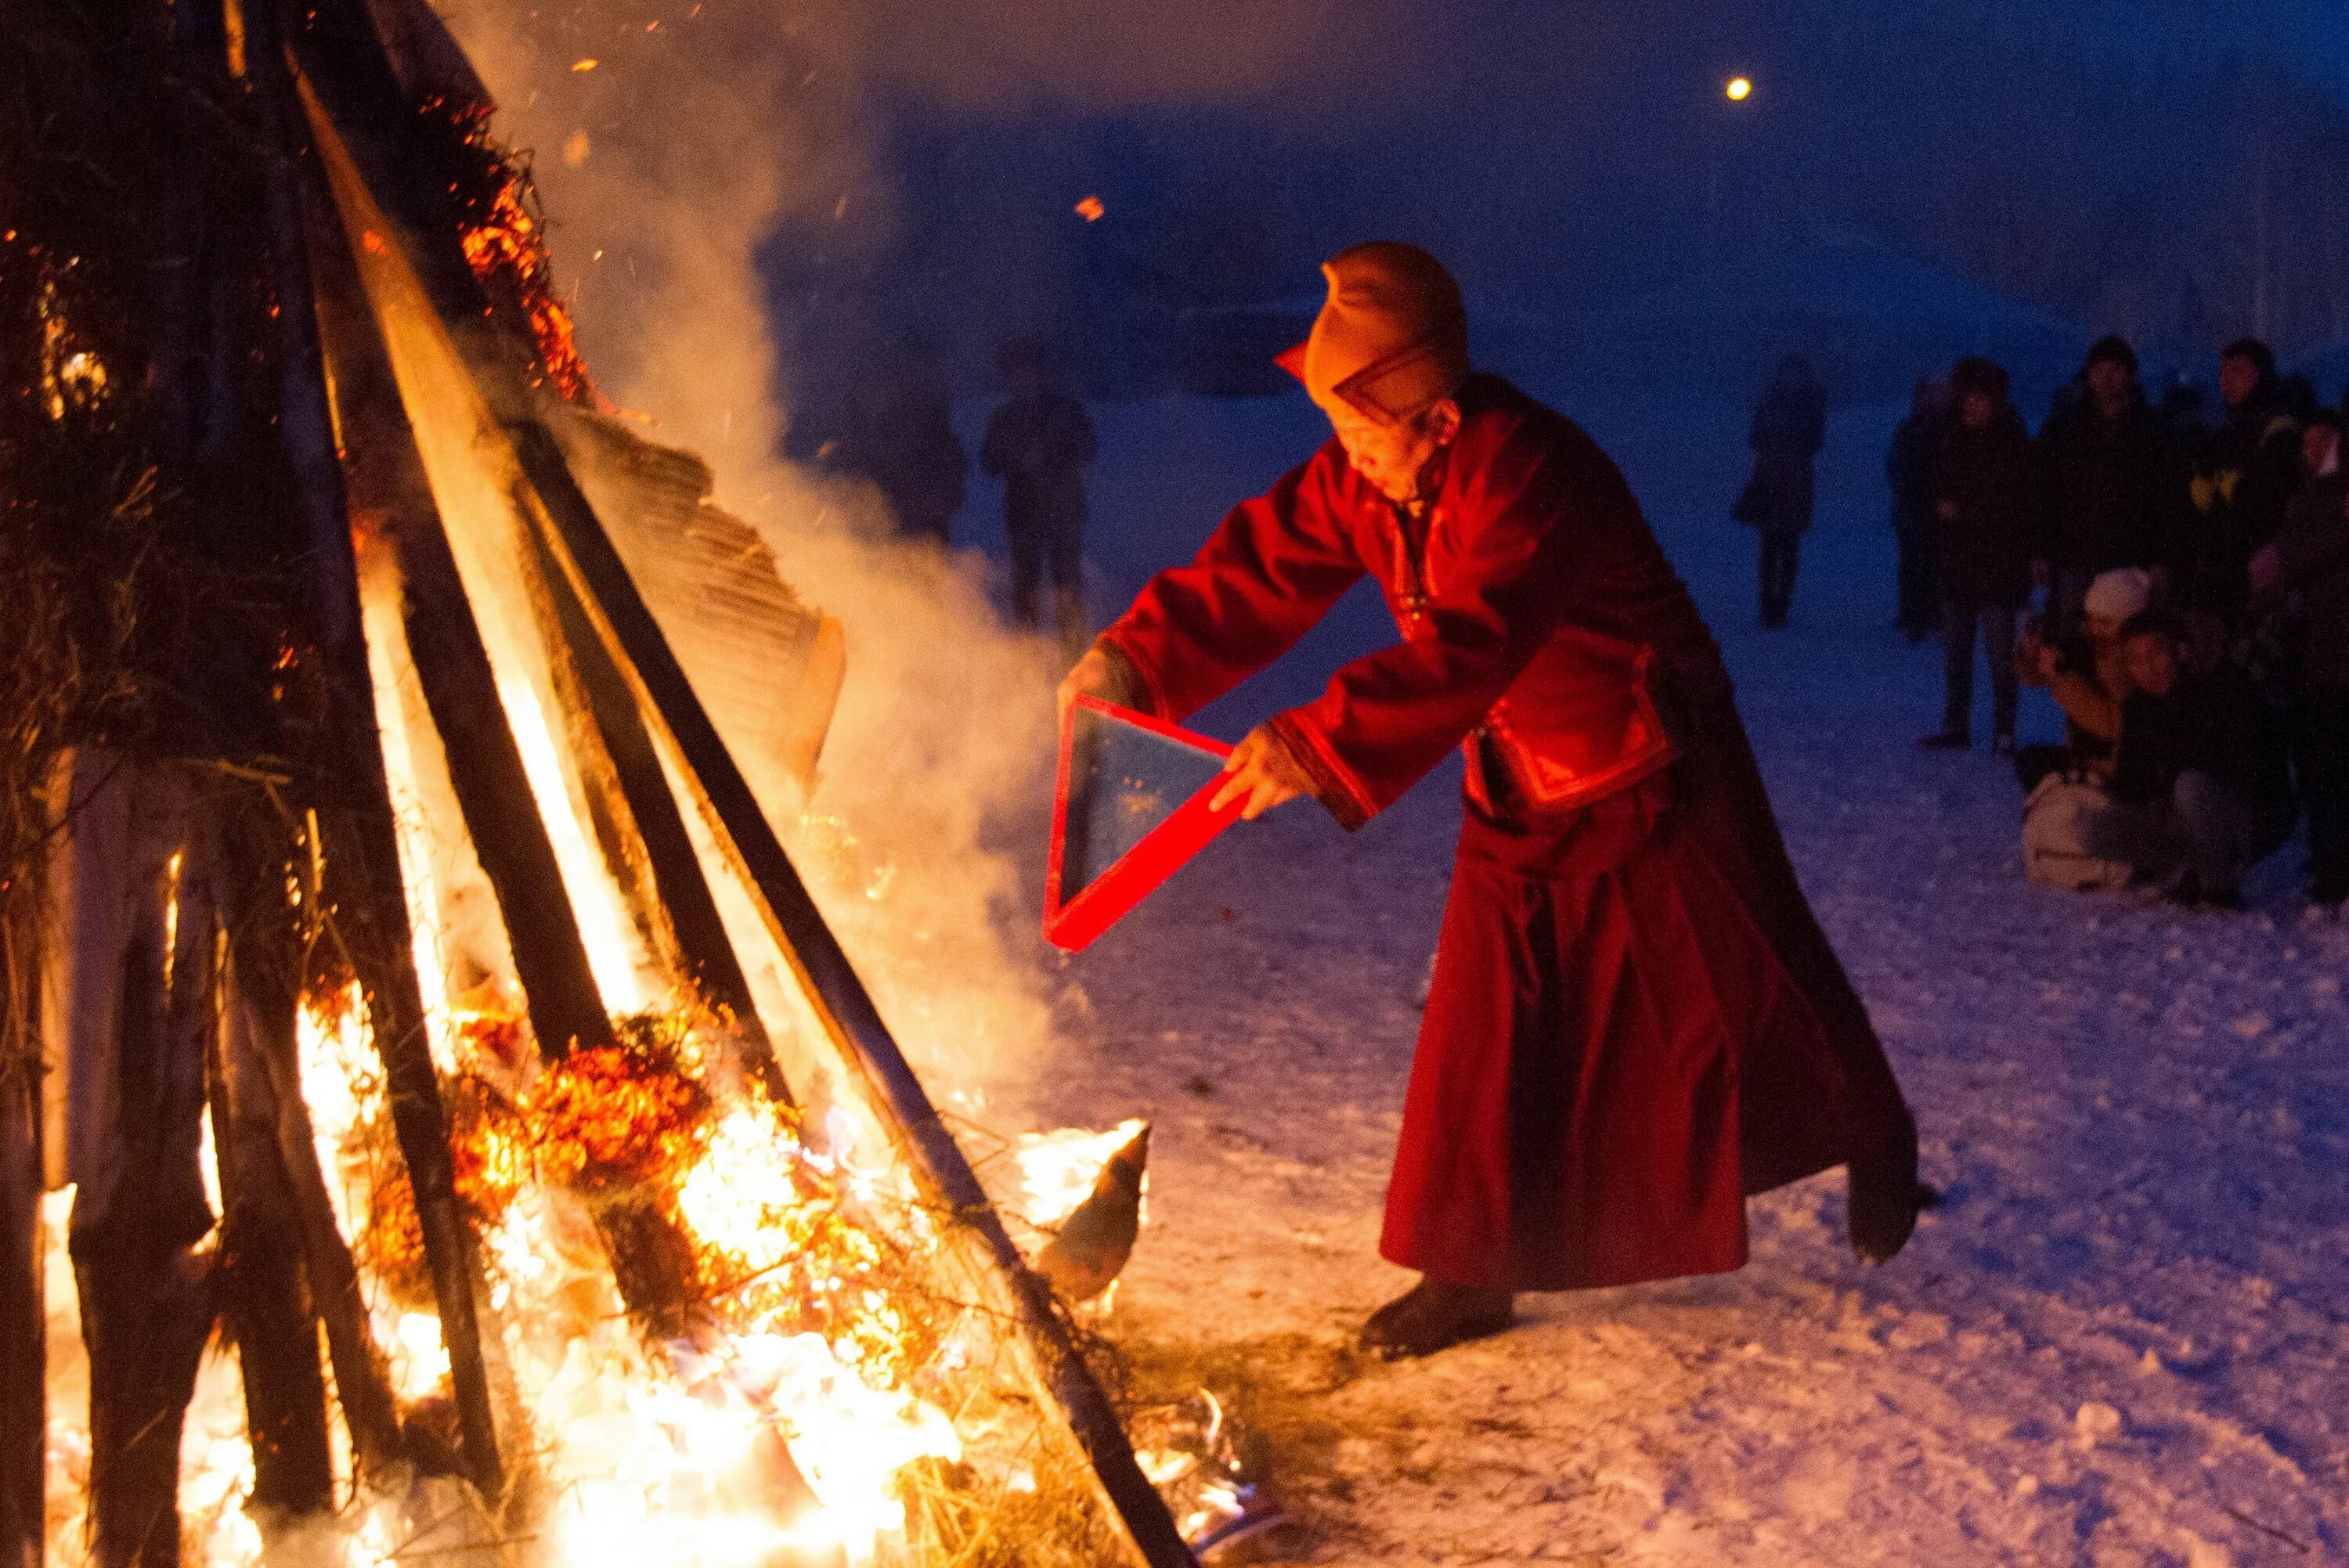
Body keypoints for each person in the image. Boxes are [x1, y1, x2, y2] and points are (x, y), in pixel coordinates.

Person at [1059, 243, 1923, 1359]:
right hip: (1516, 777)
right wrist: (1134, 663)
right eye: (1340, 426)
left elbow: (1478, 637)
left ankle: (1874, 1128)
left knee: (1751, 973)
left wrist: (1318, 740)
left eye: (1366, 426)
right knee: (1483, 1032)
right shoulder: (1360, 474)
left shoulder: (1531, 469)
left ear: (1439, 418)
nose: (1349, 451)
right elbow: (1263, 564)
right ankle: (1468, 1272)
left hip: (1655, 757)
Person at [1922, 356, 2042, 755]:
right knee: (1957, 652)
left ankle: (2004, 730)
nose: (1972, 406)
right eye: (1967, 398)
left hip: (1998, 567)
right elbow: (1936, 493)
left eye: (1981, 399)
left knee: (1999, 654)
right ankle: (1955, 723)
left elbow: (2018, 506)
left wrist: (1966, 510)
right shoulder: (1950, 438)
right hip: (1958, 563)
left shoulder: (2012, 443)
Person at [2253, 438, 2349, 908]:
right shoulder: (2325, 496)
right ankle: (2334, 866)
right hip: (2331, 653)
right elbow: (2289, 559)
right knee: (2327, 765)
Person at [2037, 337, 2165, 636]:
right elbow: (2048, 493)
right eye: (2098, 370)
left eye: (2114, 369)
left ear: (2129, 374)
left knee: (2123, 638)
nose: (2106, 378)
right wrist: (2042, 549)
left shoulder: (2153, 431)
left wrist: (2162, 557)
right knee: (2072, 640)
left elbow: (2163, 497)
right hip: (2075, 552)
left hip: (2130, 557)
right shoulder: (2065, 429)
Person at [982, 337, 1098, 661]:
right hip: (1023, 516)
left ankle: (1073, 655)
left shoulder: (1063, 409)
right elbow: (989, 461)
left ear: (1040, 373)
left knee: (1067, 587)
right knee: (1026, 589)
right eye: (1017, 373)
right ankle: (1027, 658)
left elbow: (1088, 447)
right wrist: (1016, 458)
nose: (1023, 380)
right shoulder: (1005, 416)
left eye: (1029, 371)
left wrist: (1054, 455)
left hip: (1062, 513)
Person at [2174, 338, 2302, 625]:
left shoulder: (2280, 430)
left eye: (2239, 371)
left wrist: (2230, 489)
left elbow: (2268, 500)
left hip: (2256, 566)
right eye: (2223, 372)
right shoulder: (2226, 431)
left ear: (2263, 375)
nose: (2227, 381)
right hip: (2216, 566)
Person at [2014, 565, 2152, 790]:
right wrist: (2035, 647)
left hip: (2115, 766)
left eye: (2105, 622)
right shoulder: (2092, 645)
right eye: (2091, 620)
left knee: (2039, 769)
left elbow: (2112, 725)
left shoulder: (2134, 661)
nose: (2096, 629)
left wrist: (2062, 678)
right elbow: (2031, 675)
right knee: (2030, 761)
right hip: (2084, 754)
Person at [835, 340, 969, 548]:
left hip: (926, 520)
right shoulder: (893, 421)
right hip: (901, 518)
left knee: (926, 565)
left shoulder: (935, 426)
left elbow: (952, 478)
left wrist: (941, 500)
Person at [1734, 353, 1828, 628]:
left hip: (1792, 480)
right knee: (1770, 546)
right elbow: (1755, 438)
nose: (1791, 380)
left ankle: (1779, 605)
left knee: (1786, 545)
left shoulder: (1809, 403)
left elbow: (1813, 441)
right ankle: (1767, 605)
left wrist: (1782, 438)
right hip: (1772, 478)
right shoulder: (1773, 401)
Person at [1886, 376, 1946, 640]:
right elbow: (1896, 466)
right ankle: (1912, 612)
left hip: (1937, 507)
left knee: (1935, 559)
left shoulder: (1950, 430)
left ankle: (1932, 612)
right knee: (1912, 560)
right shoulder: (1909, 429)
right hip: (1912, 507)